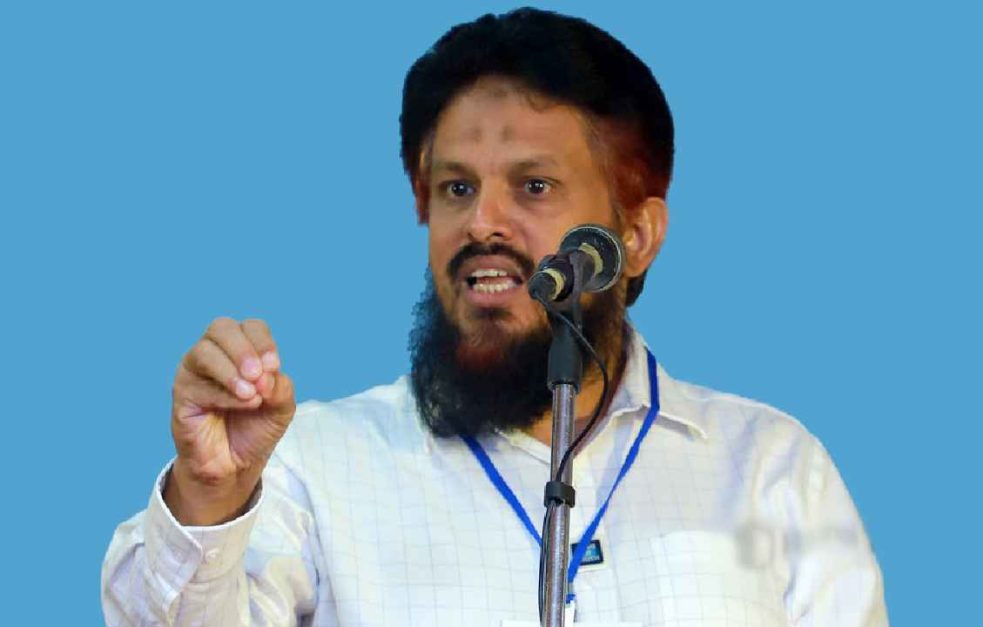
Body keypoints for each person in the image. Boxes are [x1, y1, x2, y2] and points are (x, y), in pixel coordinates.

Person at [102, 8, 888, 626]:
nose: (483, 223)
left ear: (636, 236)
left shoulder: (772, 470)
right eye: (457, 188)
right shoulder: (314, 463)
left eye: (533, 186)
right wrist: (210, 495)